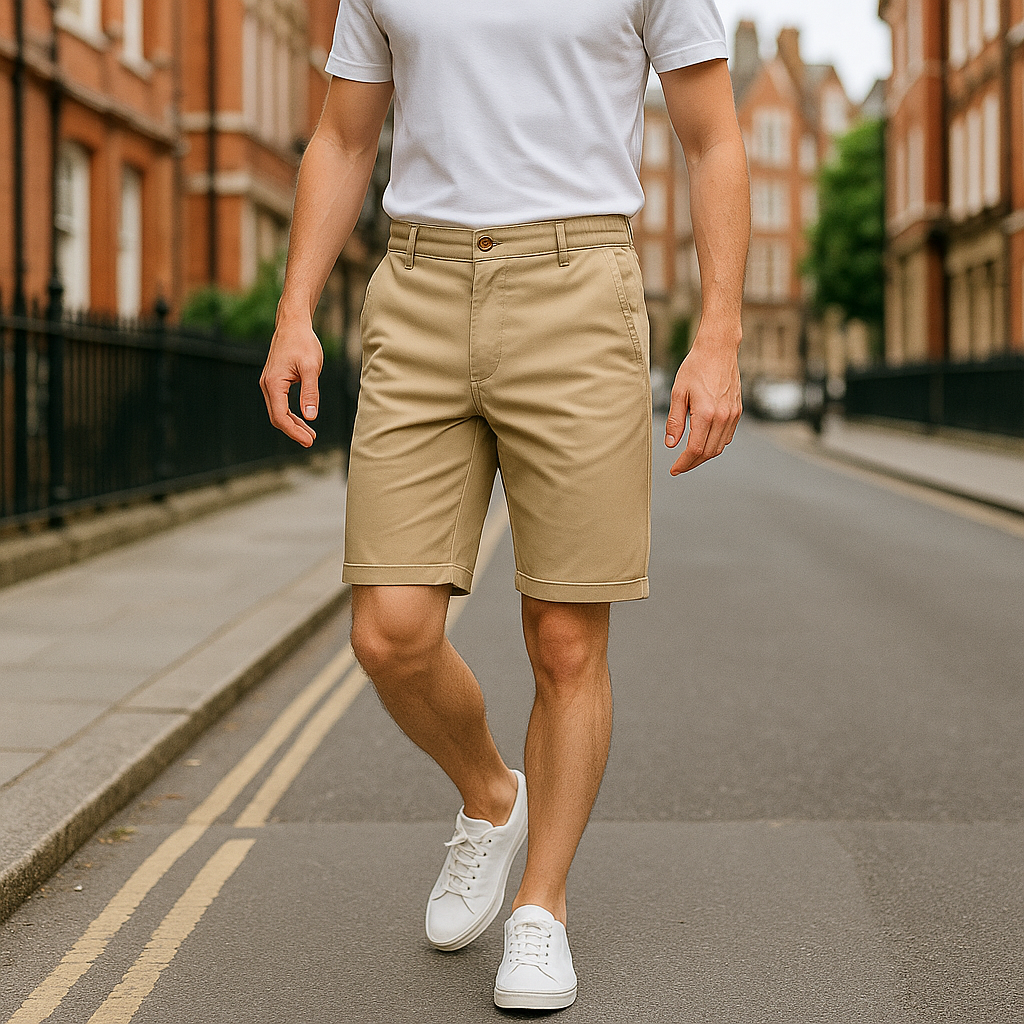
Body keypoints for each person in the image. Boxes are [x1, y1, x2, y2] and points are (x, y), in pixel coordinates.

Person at [261, 0, 748, 1010]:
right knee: (388, 632)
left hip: (578, 288)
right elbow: (346, 133)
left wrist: (719, 336)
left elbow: (711, 136)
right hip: (420, 283)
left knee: (564, 637)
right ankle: (492, 794)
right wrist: (295, 308)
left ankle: (541, 908)